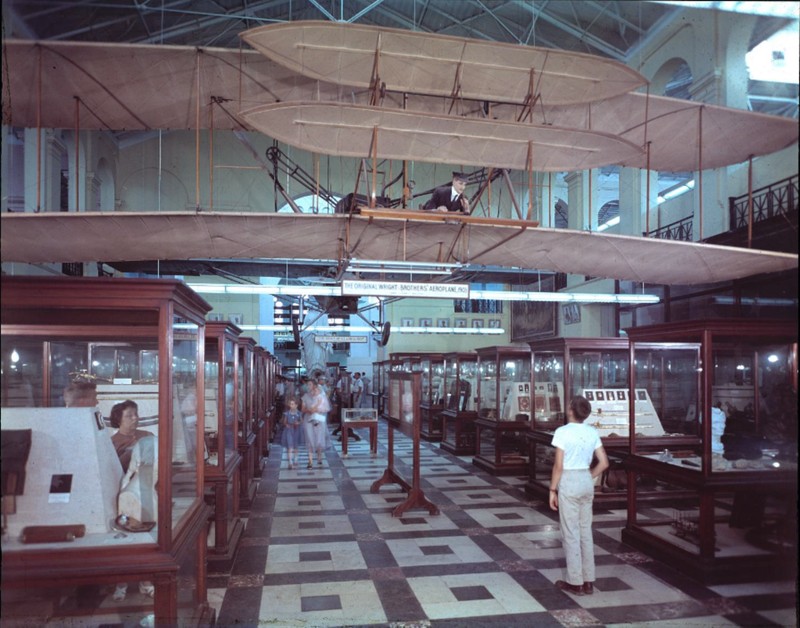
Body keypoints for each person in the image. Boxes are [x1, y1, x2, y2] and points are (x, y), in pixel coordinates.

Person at [548, 395, 609, 596]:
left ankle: (575, 582)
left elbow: (558, 465)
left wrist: (552, 489)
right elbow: (604, 463)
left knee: (570, 533)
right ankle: (589, 580)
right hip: (585, 480)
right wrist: (588, 476)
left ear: (571, 410)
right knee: (585, 531)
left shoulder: (563, 432)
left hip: (569, 481)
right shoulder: (592, 432)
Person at [109, 400, 156, 602]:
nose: (135, 418)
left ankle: (146, 582)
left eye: (136, 414)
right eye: (129, 415)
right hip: (124, 497)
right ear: (118, 419)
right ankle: (121, 583)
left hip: (146, 495)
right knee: (125, 542)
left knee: (145, 539)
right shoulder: (112, 442)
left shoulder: (147, 437)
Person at [302, 378, 332, 468]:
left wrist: (318, 410)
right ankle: (310, 460)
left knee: (319, 439)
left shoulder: (321, 396)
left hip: (319, 419)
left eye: (310, 385)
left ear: (315, 386)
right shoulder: (305, 396)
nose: (308, 386)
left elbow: (326, 408)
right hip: (308, 419)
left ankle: (319, 457)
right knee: (310, 439)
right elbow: (302, 409)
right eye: (307, 385)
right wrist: (309, 410)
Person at [280, 397, 304, 469]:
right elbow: (284, 422)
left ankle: (295, 459)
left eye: (293, 404)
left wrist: (298, 423)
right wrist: (286, 424)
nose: (291, 405)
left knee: (296, 446)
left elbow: (301, 421)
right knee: (289, 446)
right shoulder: (287, 413)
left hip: (296, 431)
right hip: (289, 431)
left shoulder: (299, 413)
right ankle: (290, 462)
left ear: (296, 405)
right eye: (290, 404)